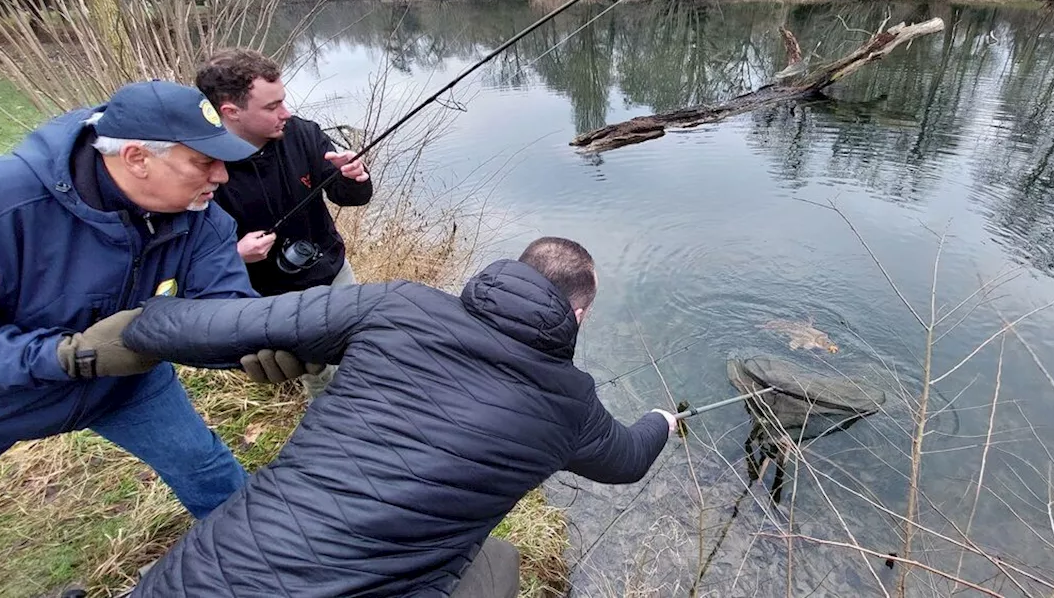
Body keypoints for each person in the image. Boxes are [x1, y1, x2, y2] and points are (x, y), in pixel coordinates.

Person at [117, 237, 680, 597]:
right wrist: (662, 419)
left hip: (203, 580)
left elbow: (208, 330)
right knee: (499, 563)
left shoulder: (397, 304)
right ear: (578, 314)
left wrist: (151, 314)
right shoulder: (572, 403)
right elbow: (627, 460)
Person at [0, 80, 315, 519]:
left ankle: (265, 556)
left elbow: (225, 311)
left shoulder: (204, 219)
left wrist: (267, 341)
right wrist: (69, 356)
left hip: (125, 384)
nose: (221, 176)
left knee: (209, 472)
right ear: (137, 158)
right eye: (204, 162)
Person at [194, 48, 373, 400]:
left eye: (283, 101)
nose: (285, 113)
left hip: (333, 273)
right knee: (323, 375)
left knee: (362, 352)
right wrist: (234, 255)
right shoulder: (200, 165)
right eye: (271, 106)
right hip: (271, 298)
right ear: (231, 112)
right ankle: (335, 431)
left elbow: (349, 197)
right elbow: (188, 256)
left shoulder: (303, 134)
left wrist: (354, 176)